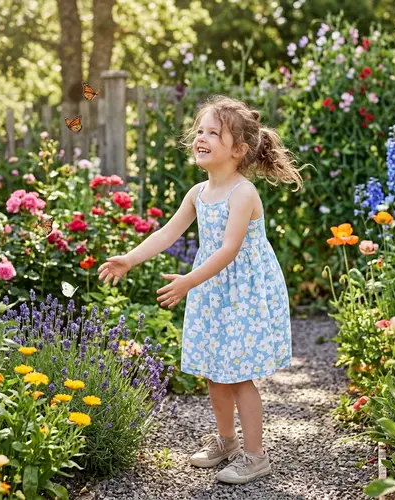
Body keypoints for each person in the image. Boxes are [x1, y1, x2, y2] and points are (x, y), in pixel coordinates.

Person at [97, 94, 306, 485]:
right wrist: (130, 258)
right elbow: (166, 233)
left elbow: (229, 250)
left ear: (239, 150)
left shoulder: (243, 193)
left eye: (214, 132)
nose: (201, 137)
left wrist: (188, 282)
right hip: (213, 290)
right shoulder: (197, 192)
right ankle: (226, 442)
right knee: (214, 371)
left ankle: (256, 455)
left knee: (240, 374)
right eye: (201, 130)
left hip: (242, 291)